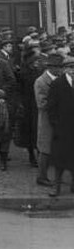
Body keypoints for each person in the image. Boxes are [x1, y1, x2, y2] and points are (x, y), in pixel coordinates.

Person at [34, 52, 64, 187]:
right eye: (58, 67)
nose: (60, 70)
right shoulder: (41, 81)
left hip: (59, 119)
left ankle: (56, 176)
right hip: (46, 120)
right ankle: (41, 177)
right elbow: (41, 103)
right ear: (51, 67)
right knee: (45, 149)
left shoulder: (60, 78)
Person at [47, 54, 74, 197]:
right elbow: (50, 108)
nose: (73, 70)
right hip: (62, 128)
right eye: (70, 68)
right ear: (64, 69)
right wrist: (56, 124)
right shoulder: (57, 84)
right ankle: (56, 186)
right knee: (59, 159)